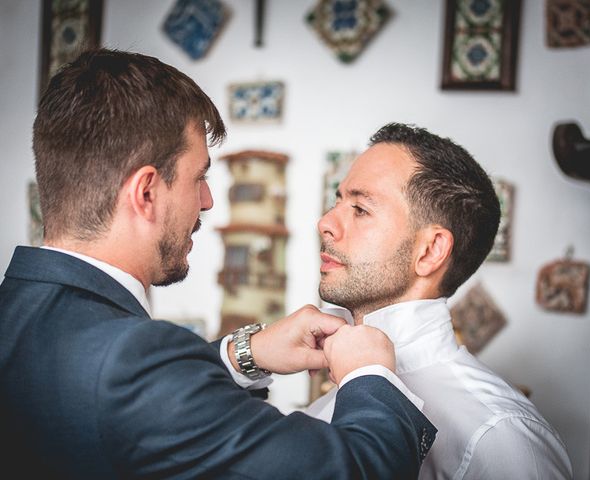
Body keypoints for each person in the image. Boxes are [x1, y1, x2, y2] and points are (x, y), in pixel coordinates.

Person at [0, 49, 436, 479]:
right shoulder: (134, 362)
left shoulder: (16, 314)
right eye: (200, 178)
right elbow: (357, 471)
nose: (208, 201)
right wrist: (369, 374)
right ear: (146, 192)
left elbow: (109, 403)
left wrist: (242, 354)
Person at [305, 123, 574, 479]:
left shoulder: (500, 438)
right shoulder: (330, 397)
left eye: (360, 208)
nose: (325, 222)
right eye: (337, 201)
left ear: (430, 251)